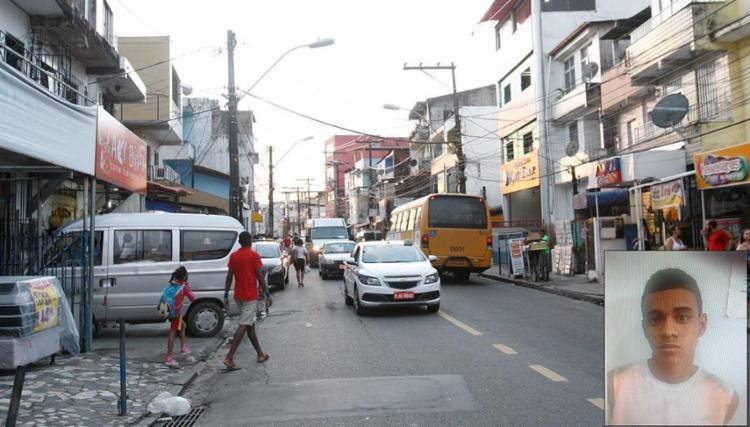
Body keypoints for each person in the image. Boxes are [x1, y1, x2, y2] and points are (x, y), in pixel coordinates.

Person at [607, 268, 739, 425]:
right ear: (645, 329)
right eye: (655, 320)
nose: (668, 331)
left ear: (701, 325)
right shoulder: (616, 384)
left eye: (682, 317)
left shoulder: (724, 396)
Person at [223, 231, 272, 369]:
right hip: (250, 295)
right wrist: (267, 294)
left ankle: (260, 354)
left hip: (238, 295)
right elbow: (260, 277)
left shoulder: (234, 256)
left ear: (240, 242)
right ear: (250, 242)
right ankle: (229, 357)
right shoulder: (254, 256)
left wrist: (226, 295)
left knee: (250, 325)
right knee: (244, 324)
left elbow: (229, 277)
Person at [164, 266, 195, 368]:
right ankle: (169, 357)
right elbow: (192, 298)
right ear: (185, 277)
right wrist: (188, 288)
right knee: (172, 332)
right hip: (176, 313)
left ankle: (183, 347)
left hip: (170, 311)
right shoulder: (183, 287)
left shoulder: (173, 284)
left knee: (183, 326)